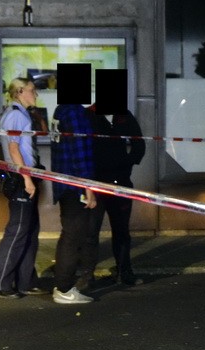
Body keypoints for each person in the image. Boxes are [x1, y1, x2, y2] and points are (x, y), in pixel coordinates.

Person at [0, 77, 45, 299]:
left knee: (29, 232)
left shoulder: (21, 113)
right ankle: (1, 285)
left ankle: (25, 282)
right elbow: (14, 150)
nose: (36, 94)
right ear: (20, 91)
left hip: (26, 176)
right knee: (17, 232)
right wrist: (27, 179)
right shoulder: (15, 115)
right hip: (22, 179)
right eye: (32, 90)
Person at [50, 90, 100, 305]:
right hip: (75, 185)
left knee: (70, 234)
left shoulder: (60, 111)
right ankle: (64, 288)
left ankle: (63, 286)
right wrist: (87, 187)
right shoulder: (76, 113)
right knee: (74, 236)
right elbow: (81, 153)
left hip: (63, 182)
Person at [89, 107, 146, 286]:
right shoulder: (89, 115)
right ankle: (87, 275)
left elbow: (139, 143)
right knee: (90, 232)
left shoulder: (124, 115)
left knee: (121, 231)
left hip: (120, 182)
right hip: (96, 183)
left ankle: (125, 272)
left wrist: (127, 163)